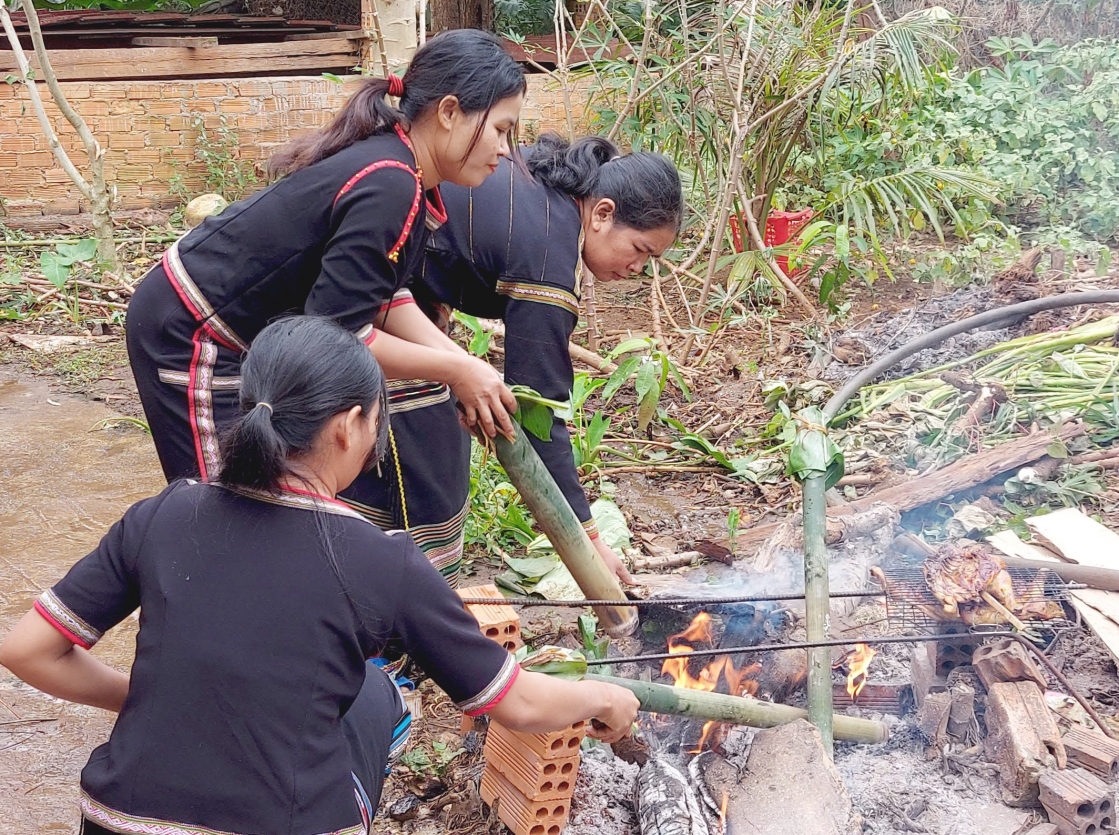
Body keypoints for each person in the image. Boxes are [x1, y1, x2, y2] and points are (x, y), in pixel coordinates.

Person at [0, 316, 640, 835]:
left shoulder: (165, 512)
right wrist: (606, 698)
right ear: (346, 427)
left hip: (116, 821)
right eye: (376, 420)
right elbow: (521, 704)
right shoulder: (379, 559)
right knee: (375, 692)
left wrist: (143, 697)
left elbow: (27, 649)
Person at [125, 28, 525, 488]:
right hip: (192, 329)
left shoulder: (405, 171)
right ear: (450, 112)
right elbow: (340, 334)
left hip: (237, 332)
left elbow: (382, 295)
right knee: (222, 506)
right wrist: (457, 369)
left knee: (261, 494)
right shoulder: (389, 184)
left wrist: (464, 365)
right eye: (500, 130)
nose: (503, 151)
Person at [341, 134, 682, 585]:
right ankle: (397, 596)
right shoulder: (547, 256)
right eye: (641, 250)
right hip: (357, 288)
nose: (639, 268)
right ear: (603, 214)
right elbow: (538, 412)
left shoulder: (547, 199)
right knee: (424, 453)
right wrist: (590, 543)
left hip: (395, 288)